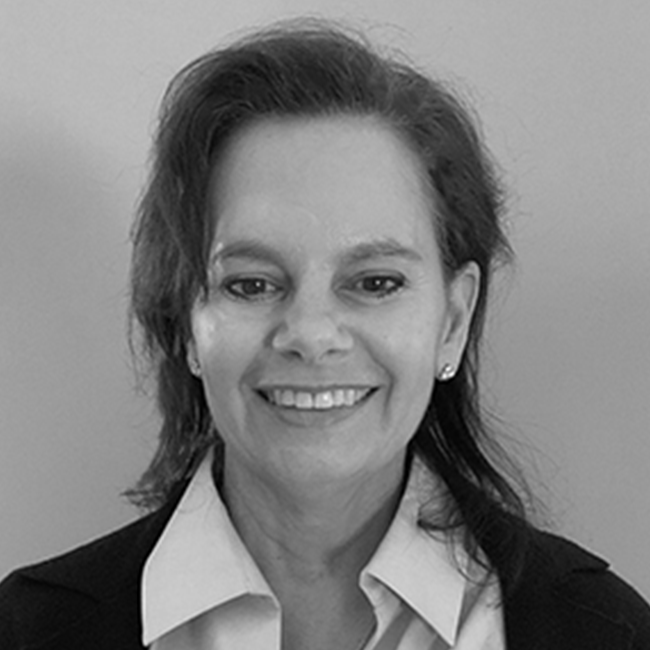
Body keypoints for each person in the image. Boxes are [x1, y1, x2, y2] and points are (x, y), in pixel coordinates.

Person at [1, 19, 649, 650]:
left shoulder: (607, 633)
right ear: (186, 324)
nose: (310, 335)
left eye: (375, 283)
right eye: (251, 284)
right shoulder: (25, 631)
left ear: (453, 322)